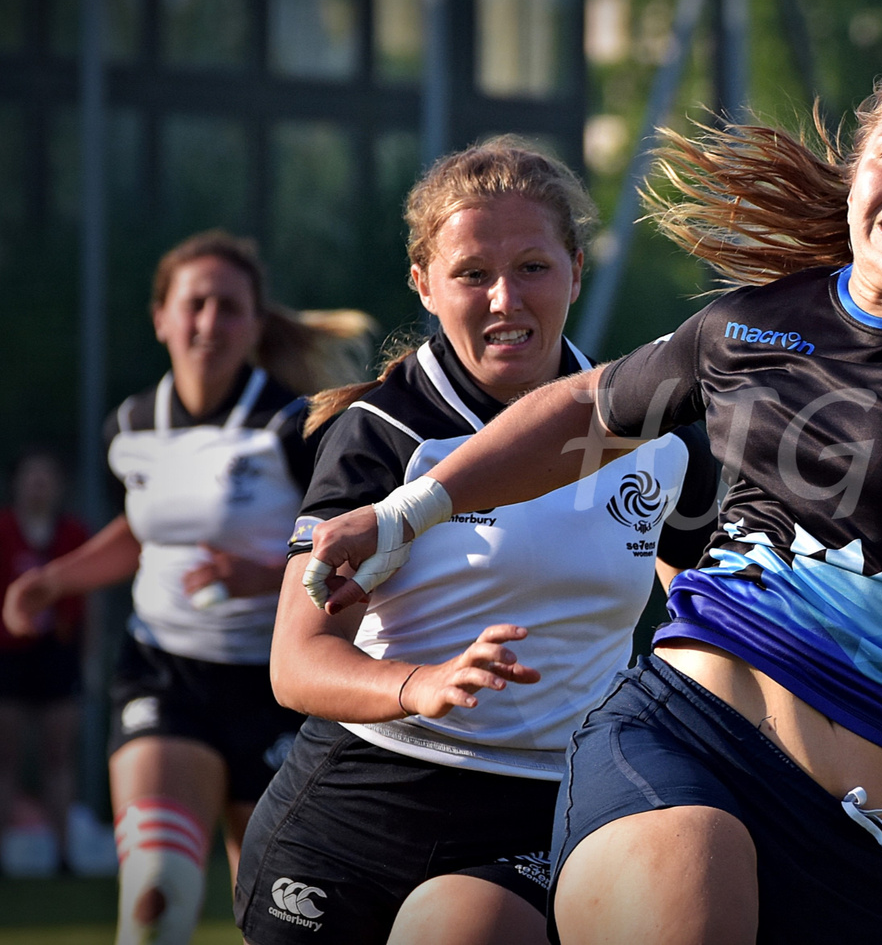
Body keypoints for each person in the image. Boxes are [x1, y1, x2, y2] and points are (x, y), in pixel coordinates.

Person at [303, 51, 882, 945]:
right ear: (858, 176)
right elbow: (584, 413)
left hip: (869, 847)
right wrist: (407, 511)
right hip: (684, 739)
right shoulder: (751, 323)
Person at [232, 137, 719, 945]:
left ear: (575, 267)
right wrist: (418, 683)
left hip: (542, 812)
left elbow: (706, 613)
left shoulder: (657, 436)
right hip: (358, 810)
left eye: (532, 267)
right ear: (424, 284)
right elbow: (296, 660)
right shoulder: (382, 436)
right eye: (471, 274)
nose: (504, 300)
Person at [2, 231, 371, 945]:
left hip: (277, 685)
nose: (209, 322)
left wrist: (263, 576)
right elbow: (140, 532)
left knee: (278, 924)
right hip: (163, 674)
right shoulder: (131, 425)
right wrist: (52, 580)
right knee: (155, 900)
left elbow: (346, 555)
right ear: (161, 317)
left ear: (256, 324)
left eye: (229, 307)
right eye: (194, 304)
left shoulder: (296, 426)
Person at [0, 449, 91, 873]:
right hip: (8, 657)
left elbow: (89, 604)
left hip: (57, 655)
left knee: (58, 754)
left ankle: (63, 856)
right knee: (7, 755)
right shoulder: (3, 530)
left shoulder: (73, 535)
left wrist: (86, 660)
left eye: (46, 477)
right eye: (30, 476)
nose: (38, 485)